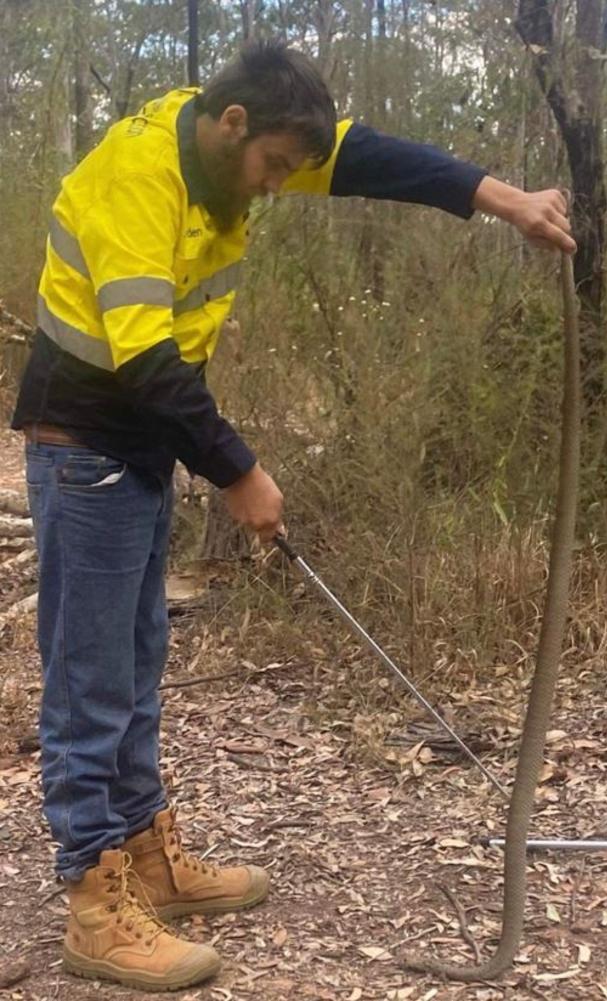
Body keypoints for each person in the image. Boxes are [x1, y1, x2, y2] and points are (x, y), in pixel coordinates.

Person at [11, 40, 576, 992]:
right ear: (232, 127)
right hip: (85, 442)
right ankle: (93, 902)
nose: (276, 186)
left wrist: (501, 197)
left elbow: (366, 157)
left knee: (139, 658)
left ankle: (151, 858)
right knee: (90, 681)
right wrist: (241, 473)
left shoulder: (236, 140)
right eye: (272, 166)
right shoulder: (135, 179)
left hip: (139, 445)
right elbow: (147, 362)